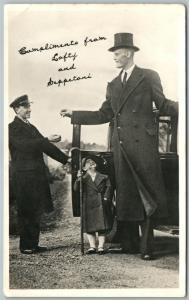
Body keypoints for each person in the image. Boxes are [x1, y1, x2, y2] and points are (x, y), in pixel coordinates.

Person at [60, 32, 178, 260]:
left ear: (129, 53)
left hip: (143, 147)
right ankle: (131, 244)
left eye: (116, 52)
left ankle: (147, 248)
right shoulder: (113, 84)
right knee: (128, 197)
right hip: (121, 149)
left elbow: (163, 104)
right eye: (113, 53)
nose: (113, 57)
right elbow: (104, 113)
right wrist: (75, 114)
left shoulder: (148, 76)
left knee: (147, 197)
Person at [9, 94, 70, 254]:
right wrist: (46, 139)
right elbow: (24, 146)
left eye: (29, 106)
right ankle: (25, 246)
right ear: (17, 109)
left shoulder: (31, 127)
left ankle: (33, 244)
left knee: (35, 209)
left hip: (35, 175)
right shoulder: (11, 127)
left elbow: (45, 147)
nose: (30, 110)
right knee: (26, 210)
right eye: (26, 107)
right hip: (23, 176)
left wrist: (66, 159)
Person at [74, 156, 114, 254]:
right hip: (88, 203)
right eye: (88, 162)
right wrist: (78, 179)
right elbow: (76, 189)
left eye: (92, 161)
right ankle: (92, 246)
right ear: (84, 168)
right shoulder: (83, 178)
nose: (91, 162)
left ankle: (100, 246)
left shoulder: (104, 176)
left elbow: (109, 187)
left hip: (101, 203)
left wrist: (106, 198)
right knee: (89, 227)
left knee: (102, 226)